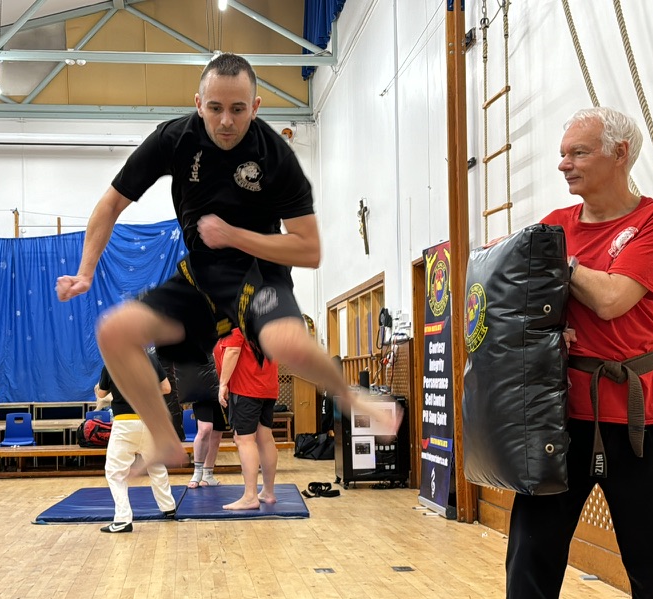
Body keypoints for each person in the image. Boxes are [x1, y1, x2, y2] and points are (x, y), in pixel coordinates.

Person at [56, 53, 398, 470]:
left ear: (255, 107)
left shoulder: (275, 156)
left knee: (282, 341)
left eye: (238, 109)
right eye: (215, 108)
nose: (225, 122)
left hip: (259, 272)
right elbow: (111, 203)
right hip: (201, 277)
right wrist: (86, 271)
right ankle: (164, 439)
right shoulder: (174, 139)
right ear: (199, 103)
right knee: (114, 332)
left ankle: (348, 396)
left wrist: (234, 236)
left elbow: (309, 250)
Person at [504, 107, 653, 599]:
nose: (563, 164)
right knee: (528, 564)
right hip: (559, 422)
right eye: (563, 152)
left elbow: (615, 300)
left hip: (645, 422)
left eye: (578, 153)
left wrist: (556, 261)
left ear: (620, 154)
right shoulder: (554, 223)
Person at [97, 350, 178, 533]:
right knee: (156, 465)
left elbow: (102, 394)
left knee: (115, 472)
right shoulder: (149, 358)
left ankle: (123, 519)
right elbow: (166, 389)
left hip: (125, 423)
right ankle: (169, 507)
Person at [216, 327, 279, 510]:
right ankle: (268, 492)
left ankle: (250, 496)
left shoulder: (236, 319)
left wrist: (223, 384)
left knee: (244, 439)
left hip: (247, 388)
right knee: (264, 438)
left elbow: (233, 350)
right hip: (267, 387)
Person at [182, 353, 226, 489]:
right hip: (203, 388)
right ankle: (197, 472)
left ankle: (207, 474)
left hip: (220, 386)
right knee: (205, 428)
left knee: (217, 432)